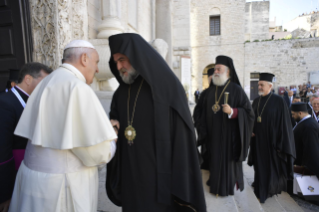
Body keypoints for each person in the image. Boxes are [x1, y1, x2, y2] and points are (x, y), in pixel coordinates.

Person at [8, 40, 118, 212]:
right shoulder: (77, 87)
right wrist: (112, 136)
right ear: (84, 59)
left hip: (32, 180)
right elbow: (96, 154)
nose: (97, 69)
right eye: (96, 62)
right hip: (60, 187)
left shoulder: (44, 82)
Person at [106, 33, 206, 212]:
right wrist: (112, 128)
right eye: (115, 62)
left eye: (122, 59)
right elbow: (114, 123)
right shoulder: (120, 94)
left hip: (159, 177)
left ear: (135, 56)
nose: (119, 66)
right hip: (130, 172)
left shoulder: (166, 87)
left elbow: (183, 134)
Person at [195, 55, 254, 196]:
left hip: (229, 138)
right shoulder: (208, 92)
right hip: (212, 137)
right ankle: (215, 184)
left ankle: (226, 188)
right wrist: (202, 127)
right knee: (214, 162)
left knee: (227, 165)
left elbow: (249, 113)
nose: (215, 71)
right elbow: (198, 112)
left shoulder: (236, 90)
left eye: (219, 69)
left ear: (227, 72)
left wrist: (233, 112)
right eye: (215, 69)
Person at [0, 63, 52, 212]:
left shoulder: (34, 101)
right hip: (12, 177)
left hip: (29, 174)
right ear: (28, 79)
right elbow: (2, 153)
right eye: (44, 81)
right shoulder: (4, 102)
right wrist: (5, 194)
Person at [248, 73, 295, 203]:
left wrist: (280, 142)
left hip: (272, 143)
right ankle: (259, 188)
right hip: (258, 141)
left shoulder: (278, 101)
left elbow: (284, 124)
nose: (259, 87)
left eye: (262, 85)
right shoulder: (257, 101)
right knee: (259, 167)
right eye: (259, 85)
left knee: (269, 168)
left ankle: (266, 191)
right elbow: (252, 119)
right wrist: (251, 130)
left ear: (270, 86)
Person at [291, 102, 319, 179]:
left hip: (305, 171)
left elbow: (312, 150)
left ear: (300, 113)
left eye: (293, 114)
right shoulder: (304, 123)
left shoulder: (309, 126)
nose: (292, 116)